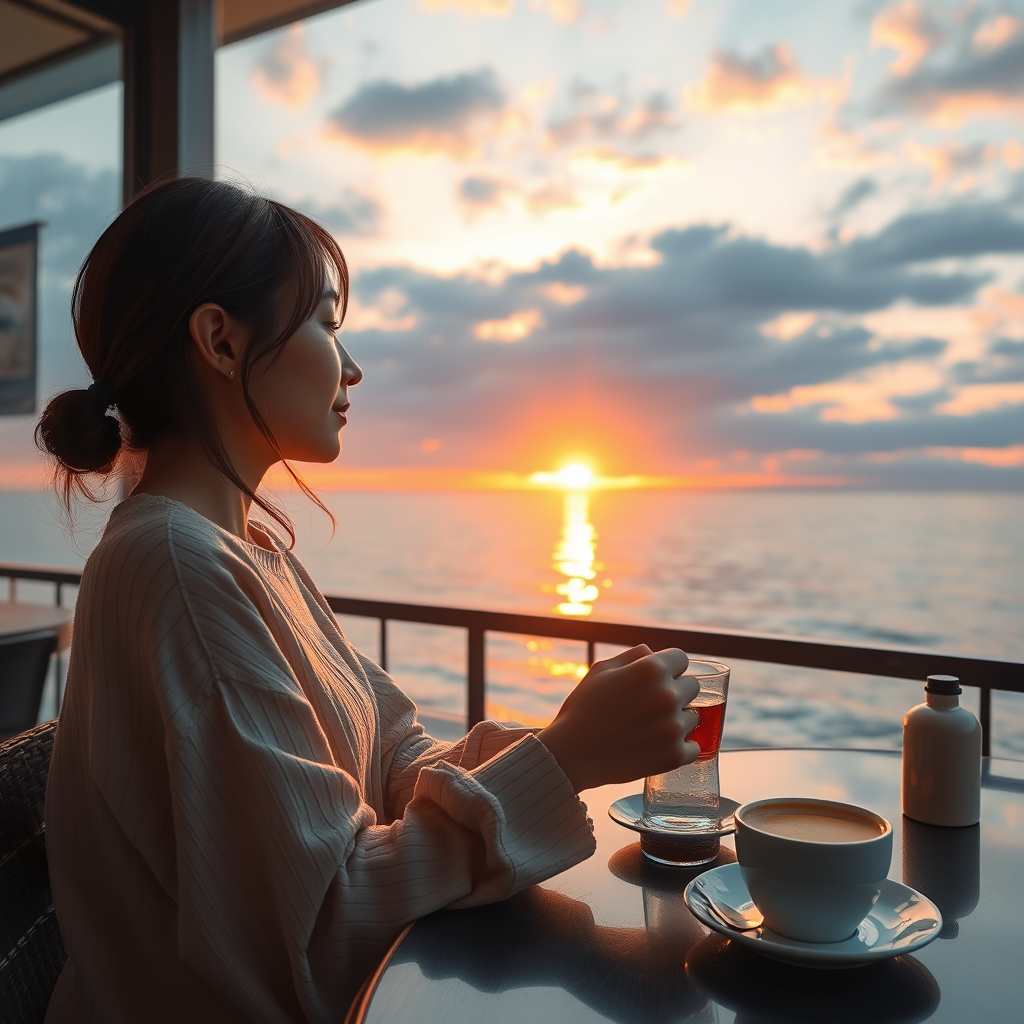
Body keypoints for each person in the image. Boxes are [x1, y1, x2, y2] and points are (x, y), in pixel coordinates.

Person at [36, 177, 702, 1024]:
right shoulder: (174, 566)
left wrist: (568, 737)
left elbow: (389, 758)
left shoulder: (247, 550)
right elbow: (322, 927)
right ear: (220, 340)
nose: (351, 366)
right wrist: (564, 761)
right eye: (323, 322)